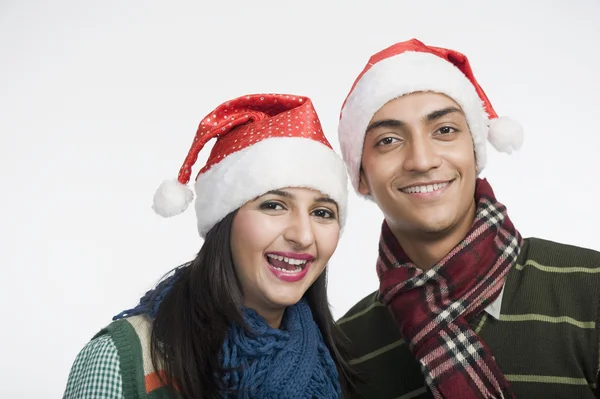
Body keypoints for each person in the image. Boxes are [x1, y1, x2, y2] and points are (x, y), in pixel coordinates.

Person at [335, 38, 600, 399]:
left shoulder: (589, 287)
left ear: (475, 151)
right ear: (361, 174)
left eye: (444, 131)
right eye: (389, 140)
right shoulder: (346, 349)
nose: (422, 160)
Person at [63, 93, 359, 398]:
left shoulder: (336, 363)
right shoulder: (122, 360)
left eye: (322, 213)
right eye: (273, 206)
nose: (303, 236)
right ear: (224, 221)